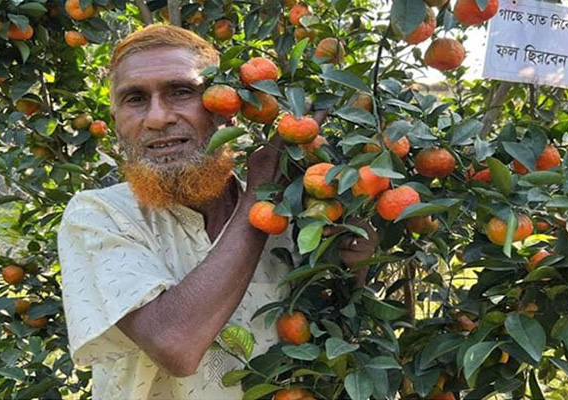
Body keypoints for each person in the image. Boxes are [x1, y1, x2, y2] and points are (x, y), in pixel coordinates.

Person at [58, 24, 376, 400]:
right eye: (135, 99)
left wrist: (352, 265)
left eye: (181, 92)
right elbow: (175, 343)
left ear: (228, 109)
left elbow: (318, 336)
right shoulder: (99, 215)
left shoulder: (296, 214)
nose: (157, 118)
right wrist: (261, 188)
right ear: (116, 122)